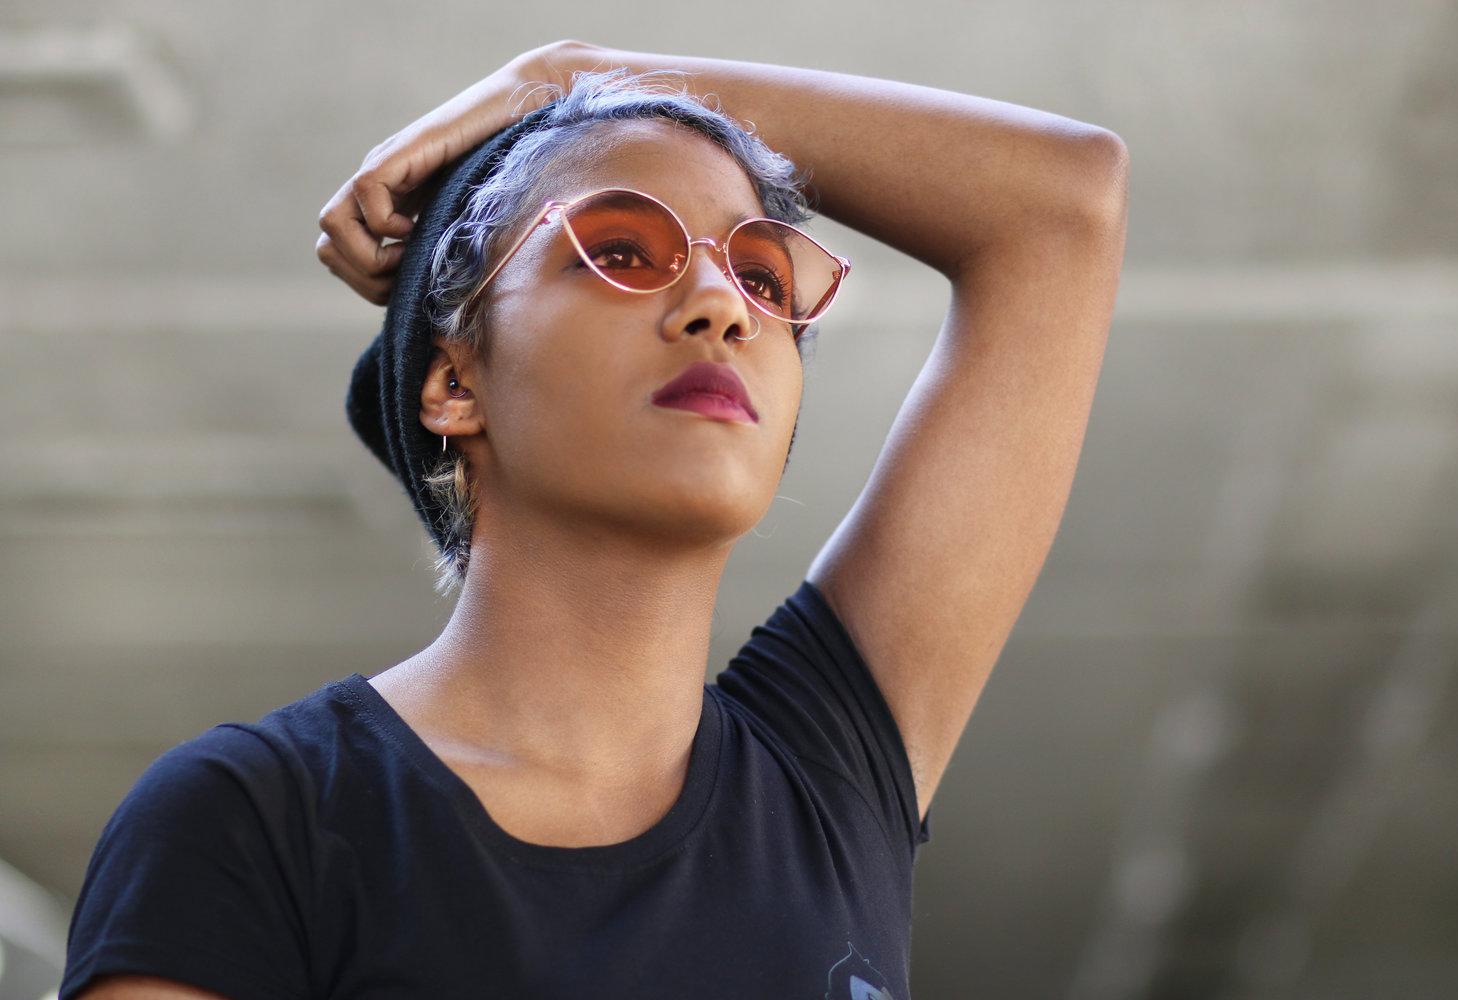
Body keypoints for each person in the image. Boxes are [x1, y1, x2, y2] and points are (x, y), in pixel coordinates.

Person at [60, 40, 1128, 1000]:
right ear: (454, 382)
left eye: (761, 277)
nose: (722, 305)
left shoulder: (828, 768)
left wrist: (579, 76)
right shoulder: (257, 818)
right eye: (621, 251)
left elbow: (1066, 200)